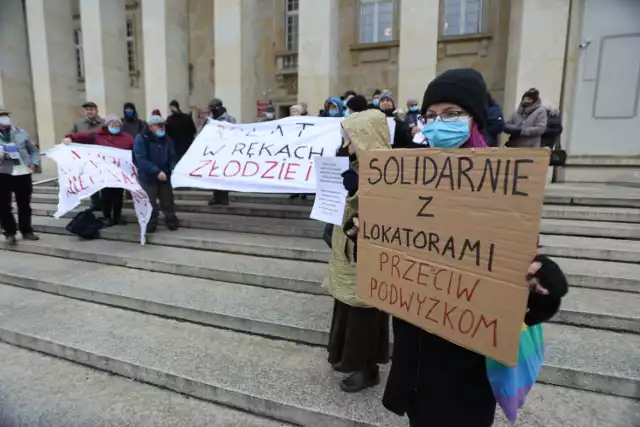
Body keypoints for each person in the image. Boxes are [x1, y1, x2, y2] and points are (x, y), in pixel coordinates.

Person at [373, 68, 569, 427]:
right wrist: (366, 235)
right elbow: (391, 249)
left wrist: (543, 288)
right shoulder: (405, 182)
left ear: (475, 121)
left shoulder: (504, 194)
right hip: (414, 362)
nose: (437, 124)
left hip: (465, 373)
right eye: (430, 116)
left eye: (451, 115)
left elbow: (520, 299)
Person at [324, 109, 391, 393]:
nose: (345, 142)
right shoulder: (353, 164)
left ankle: (367, 368)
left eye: (349, 137)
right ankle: (348, 357)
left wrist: (357, 190)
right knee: (348, 306)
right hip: (349, 252)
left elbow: (386, 212)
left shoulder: (386, 169)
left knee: (365, 311)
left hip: (368, 255)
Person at [64, 115, 135, 227]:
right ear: (107, 125)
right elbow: (82, 136)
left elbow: (135, 147)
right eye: (112, 124)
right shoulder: (98, 135)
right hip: (104, 171)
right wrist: (70, 137)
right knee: (106, 195)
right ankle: (107, 216)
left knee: (118, 195)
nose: (115, 126)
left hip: (119, 172)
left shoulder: (127, 137)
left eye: (117, 124)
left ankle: (117, 216)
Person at [0, 105, 40, 244]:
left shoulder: (20, 132)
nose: (3, 118)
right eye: (0, 116)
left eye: (5, 115)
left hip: (23, 172)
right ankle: (9, 232)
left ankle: (27, 230)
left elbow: (34, 151)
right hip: (3, 173)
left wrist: (34, 163)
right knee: (3, 205)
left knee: (24, 203)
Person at [133, 115, 179, 233]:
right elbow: (141, 159)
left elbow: (172, 156)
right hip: (148, 177)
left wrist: (172, 168)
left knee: (167, 200)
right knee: (150, 201)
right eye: (159, 125)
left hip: (165, 176)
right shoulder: (141, 139)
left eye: (163, 125)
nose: (162, 128)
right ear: (151, 126)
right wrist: (156, 171)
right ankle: (151, 223)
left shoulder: (168, 140)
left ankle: (171, 220)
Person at [70, 101, 104, 211]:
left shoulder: (104, 123)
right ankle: (96, 203)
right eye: (87, 109)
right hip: (85, 159)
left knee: (103, 182)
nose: (89, 111)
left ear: (96, 111)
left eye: (91, 109)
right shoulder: (79, 124)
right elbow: (71, 136)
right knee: (90, 181)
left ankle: (105, 204)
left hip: (101, 158)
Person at [206, 98, 236, 206]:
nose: (212, 111)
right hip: (212, 151)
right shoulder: (209, 120)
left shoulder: (229, 119)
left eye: (213, 109)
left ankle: (224, 197)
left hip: (225, 151)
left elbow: (233, 133)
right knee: (213, 174)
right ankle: (215, 196)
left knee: (223, 174)